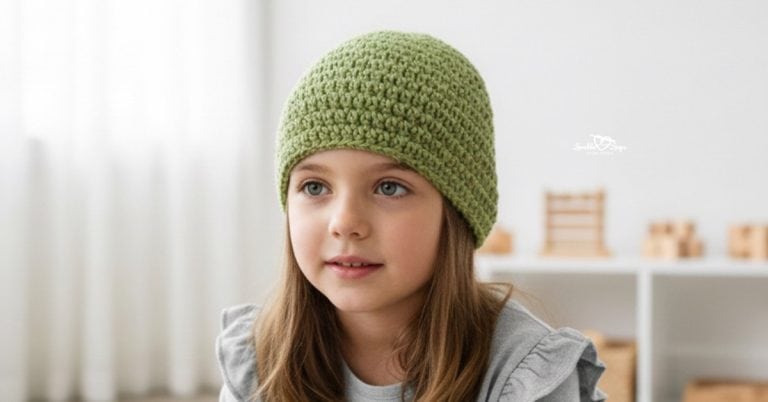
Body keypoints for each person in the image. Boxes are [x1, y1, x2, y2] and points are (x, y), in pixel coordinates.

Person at [216, 30, 607, 402]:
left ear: (457, 209)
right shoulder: (261, 358)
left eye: (389, 187)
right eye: (315, 187)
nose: (345, 222)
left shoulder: (525, 375)